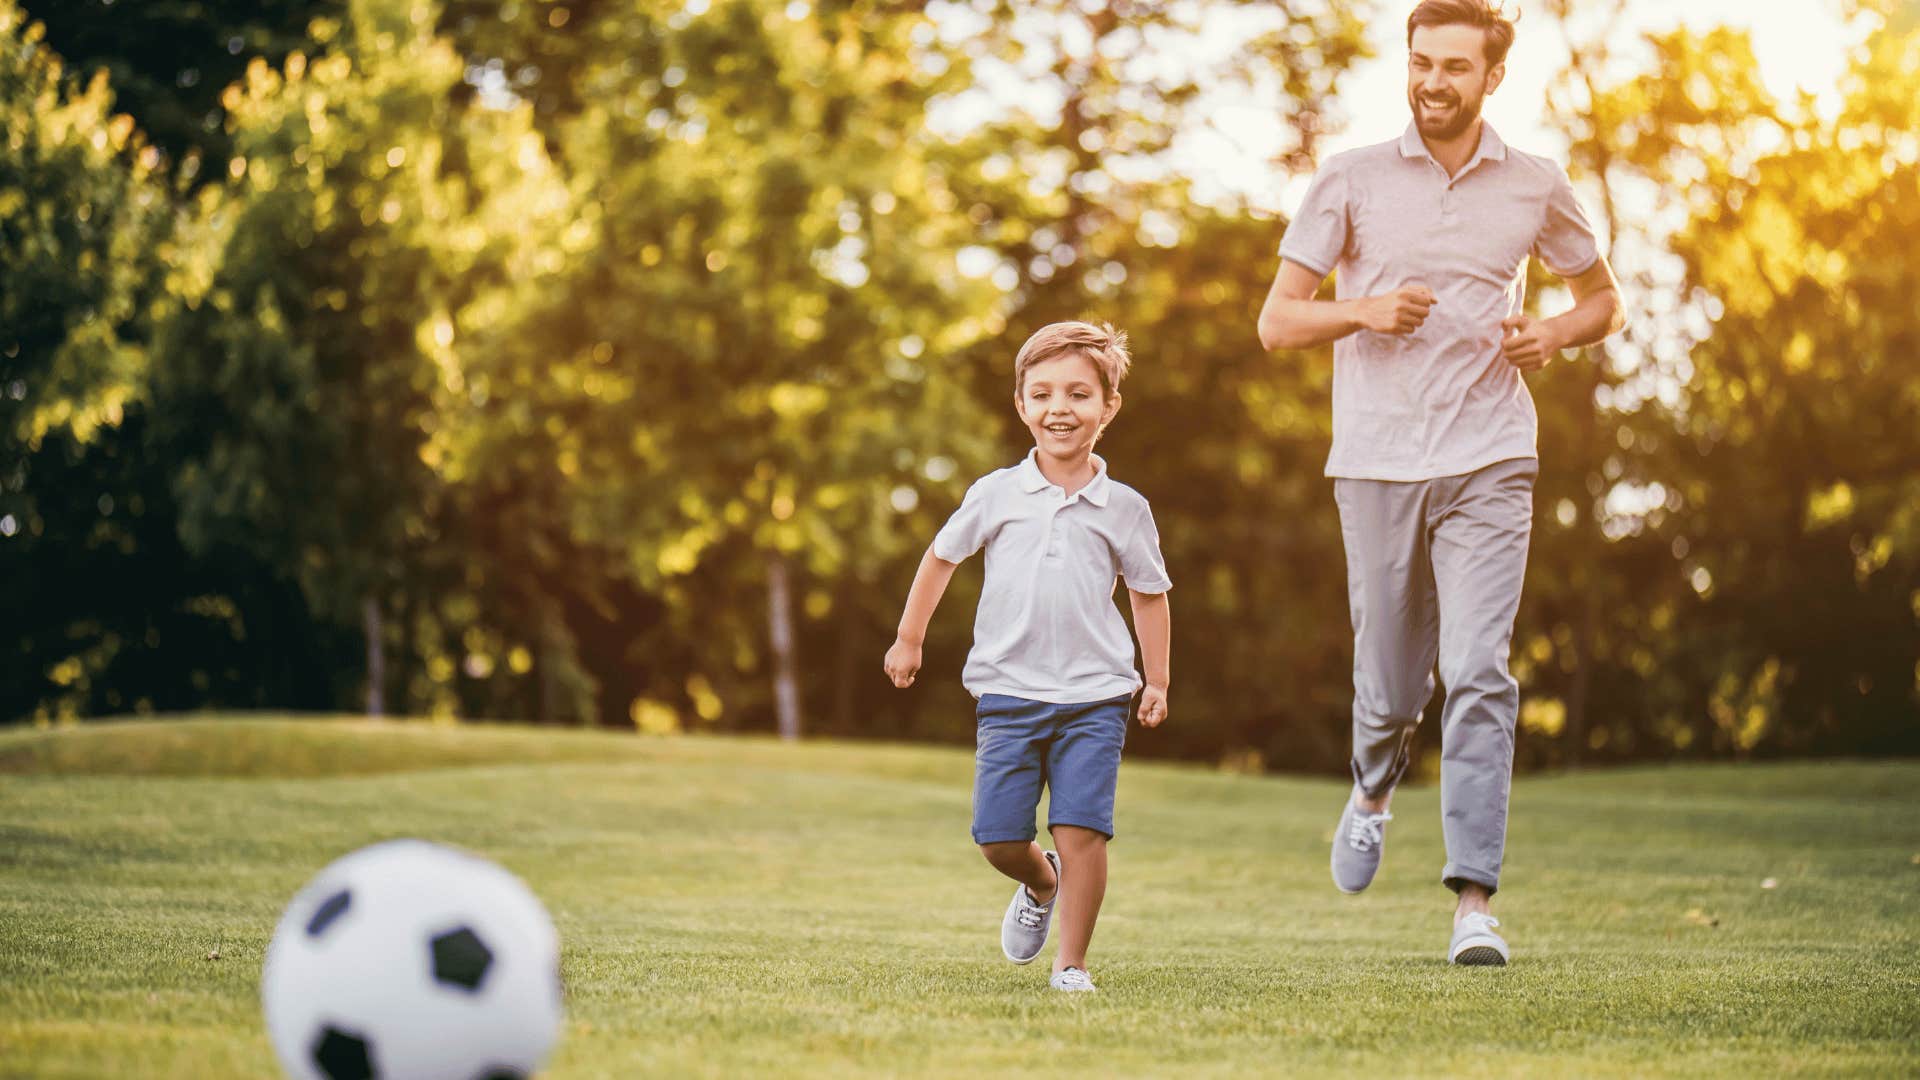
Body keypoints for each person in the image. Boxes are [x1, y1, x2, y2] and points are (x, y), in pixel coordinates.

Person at [1255, 0, 1625, 965]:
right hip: (1376, 459)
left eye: (1454, 67)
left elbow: (1603, 298)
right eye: (1420, 63)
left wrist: (1550, 333)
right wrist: (1368, 310)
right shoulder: (1351, 179)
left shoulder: (1534, 185)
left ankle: (1474, 903)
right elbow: (1278, 322)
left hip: (1491, 456)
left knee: (1477, 669)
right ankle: (1373, 787)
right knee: (1389, 682)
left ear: (1492, 77)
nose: (1432, 82)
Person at [884, 321, 1172, 993]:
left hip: (1095, 696)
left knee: (1083, 831)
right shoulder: (995, 494)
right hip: (1009, 692)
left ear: (1109, 407)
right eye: (1041, 394)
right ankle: (1040, 883)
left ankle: (1072, 965)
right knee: (997, 838)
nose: (1059, 409)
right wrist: (909, 637)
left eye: (1077, 393)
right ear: (1021, 405)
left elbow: (1150, 594)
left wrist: (1156, 680)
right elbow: (940, 558)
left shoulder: (1125, 508)